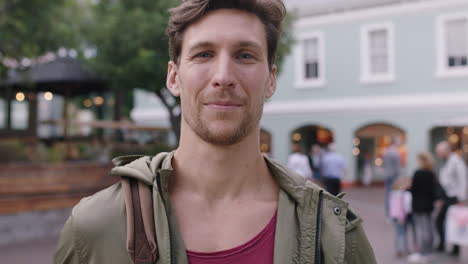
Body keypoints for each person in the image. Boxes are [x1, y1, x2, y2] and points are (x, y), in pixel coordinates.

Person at [54, 1, 377, 263]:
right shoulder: (96, 226)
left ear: (271, 80)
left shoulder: (334, 234)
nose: (223, 76)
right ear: (174, 77)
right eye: (204, 54)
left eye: (245, 55)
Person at [407, 152, 441, 263]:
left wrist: (407, 188)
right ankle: (429, 252)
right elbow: (434, 191)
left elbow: (413, 190)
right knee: (429, 229)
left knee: (421, 230)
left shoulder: (418, 173)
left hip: (418, 206)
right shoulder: (432, 174)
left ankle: (422, 253)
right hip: (429, 206)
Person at [435, 141, 467, 257]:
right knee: (441, 220)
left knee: (453, 222)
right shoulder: (447, 161)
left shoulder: (456, 161)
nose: (438, 154)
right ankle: (444, 244)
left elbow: (463, 180)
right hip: (446, 196)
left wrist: (461, 199)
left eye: (439, 152)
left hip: (454, 197)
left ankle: (455, 248)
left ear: (446, 151)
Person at [389, 176, 412, 258]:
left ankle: (399, 249)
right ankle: (403, 249)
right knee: (402, 234)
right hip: (401, 217)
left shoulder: (393, 194)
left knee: (398, 233)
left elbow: (392, 208)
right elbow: (400, 207)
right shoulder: (401, 194)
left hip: (396, 216)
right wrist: (401, 217)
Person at [383, 137, 403, 219]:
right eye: (399, 142)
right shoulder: (395, 152)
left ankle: (388, 214)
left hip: (387, 175)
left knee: (388, 194)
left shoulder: (386, 151)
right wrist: (399, 177)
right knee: (394, 195)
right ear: (395, 142)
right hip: (394, 176)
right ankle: (394, 213)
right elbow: (397, 167)